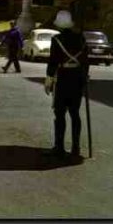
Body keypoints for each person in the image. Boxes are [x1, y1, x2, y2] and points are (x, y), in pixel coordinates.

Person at [45, 10, 89, 159]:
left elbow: (53, 62)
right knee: (75, 114)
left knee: (60, 114)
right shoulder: (81, 39)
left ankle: (59, 147)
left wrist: (49, 79)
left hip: (63, 78)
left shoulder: (56, 40)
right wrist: (84, 78)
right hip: (77, 78)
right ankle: (76, 147)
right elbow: (85, 62)